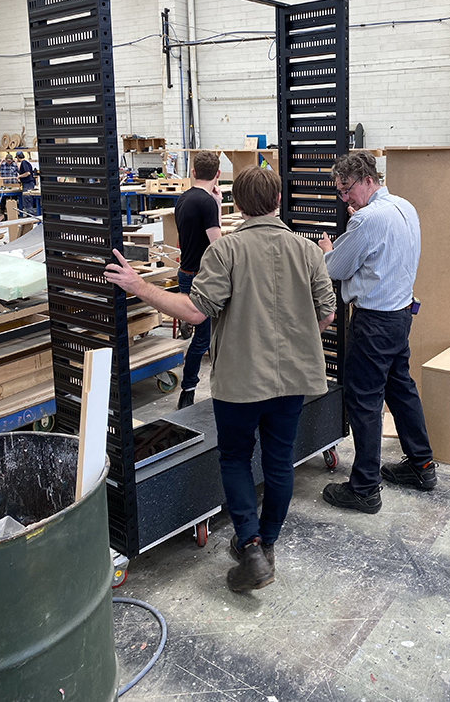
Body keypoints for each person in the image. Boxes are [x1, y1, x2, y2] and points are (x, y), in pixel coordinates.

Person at [105, 166, 336, 592]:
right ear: (279, 200)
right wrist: (299, 334)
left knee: (234, 457)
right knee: (279, 461)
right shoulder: (308, 252)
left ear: (238, 206)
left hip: (241, 382)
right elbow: (327, 313)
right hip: (294, 380)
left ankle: (248, 542)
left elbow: (195, 312)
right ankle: (266, 544)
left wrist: (139, 286)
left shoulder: (226, 251)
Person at [318, 150, 436, 514]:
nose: (344, 199)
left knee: (364, 401)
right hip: (400, 315)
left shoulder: (366, 221)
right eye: (340, 192)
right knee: (400, 389)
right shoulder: (404, 207)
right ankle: (422, 466)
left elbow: (336, 269)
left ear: (369, 180)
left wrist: (327, 249)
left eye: (347, 189)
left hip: (373, 322)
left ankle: (365, 488)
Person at [174, 150, 223, 410]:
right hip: (202, 278)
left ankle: (190, 388)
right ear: (217, 175)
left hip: (186, 272)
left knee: (203, 334)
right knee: (204, 337)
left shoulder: (183, 199)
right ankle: (188, 391)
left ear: (193, 172)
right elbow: (218, 246)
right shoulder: (206, 203)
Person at [0, 152, 19, 218]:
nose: (9, 162)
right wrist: (1, 162)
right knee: (3, 199)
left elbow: (20, 170)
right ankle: (2, 212)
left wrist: (16, 163)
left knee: (14, 199)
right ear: (5, 159)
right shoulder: (3, 165)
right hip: (4, 185)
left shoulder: (14, 165)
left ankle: (14, 212)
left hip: (13, 185)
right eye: (7, 160)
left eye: (10, 161)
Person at [15, 151, 36, 216]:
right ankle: (29, 214)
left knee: (27, 199)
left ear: (18, 157)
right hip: (28, 183)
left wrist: (19, 176)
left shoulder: (24, 163)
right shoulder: (25, 163)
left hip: (28, 184)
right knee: (27, 199)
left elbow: (27, 173)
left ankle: (31, 215)